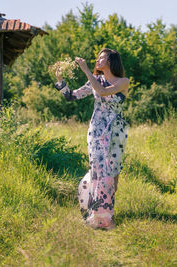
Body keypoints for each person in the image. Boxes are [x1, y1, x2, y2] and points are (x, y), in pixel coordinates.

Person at [54, 48, 129, 230]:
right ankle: (100, 218)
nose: (97, 60)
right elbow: (71, 96)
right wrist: (60, 82)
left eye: (101, 57)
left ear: (111, 61)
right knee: (98, 172)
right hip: (96, 132)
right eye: (97, 58)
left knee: (112, 173)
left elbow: (103, 92)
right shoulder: (95, 81)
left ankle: (105, 212)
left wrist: (87, 71)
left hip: (115, 132)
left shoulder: (123, 81)